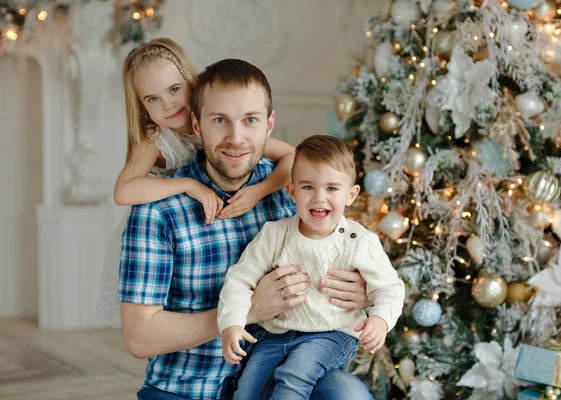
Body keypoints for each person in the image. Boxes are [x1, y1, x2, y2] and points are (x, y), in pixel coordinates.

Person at [119, 57, 374, 399]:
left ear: (269, 125)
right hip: (187, 387)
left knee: (347, 393)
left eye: (250, 120)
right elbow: (140, 338)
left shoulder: (293, 194)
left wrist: (361, 291)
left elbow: (346, 257)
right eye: (220, 120)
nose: (236, 138)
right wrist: (249, 309)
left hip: (277, 378)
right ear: (197, 126)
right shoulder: (159, 211)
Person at [95, 38, 296, 329]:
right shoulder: (156, 136)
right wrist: (190, 185)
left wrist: (259, 191)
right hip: (170, 216)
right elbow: (123, 191)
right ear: (141, 106)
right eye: (152, 99)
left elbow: (292, 156)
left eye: (174, 89)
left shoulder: (228, 126)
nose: (168, 104)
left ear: (191, 83)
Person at [218, 135, 405, 399]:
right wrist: (233, 323)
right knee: (248, 389)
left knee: (295, 376)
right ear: (292, 191)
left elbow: (390, 288)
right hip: (276, 335)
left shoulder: (359, 242)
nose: (319, 198)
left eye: (332, 188)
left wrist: (380, 319)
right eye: (308, 187)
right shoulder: (275, 234)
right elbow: (239, 279)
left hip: (331, 334)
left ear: (350, 195)